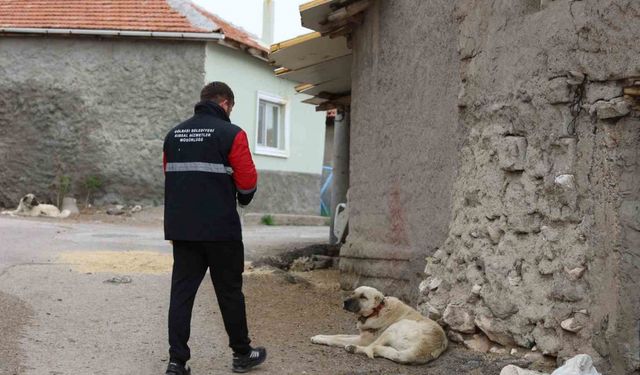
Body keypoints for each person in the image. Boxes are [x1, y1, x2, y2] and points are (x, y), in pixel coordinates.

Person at [162, 81, 266, 374]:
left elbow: (169, 176)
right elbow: (247, 181)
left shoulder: (173, 135)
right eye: (231, 107)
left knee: (181, 295)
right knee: (230, 292)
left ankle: (176, 362)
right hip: (221, 231)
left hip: (183, 230)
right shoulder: (231, 134)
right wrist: (243, 198)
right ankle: (242, 354)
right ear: (225, 104)